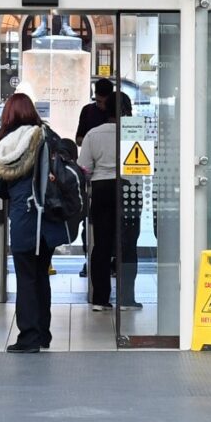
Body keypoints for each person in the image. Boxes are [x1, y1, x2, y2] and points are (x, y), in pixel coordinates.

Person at [0, 91, 57, 352]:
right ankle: (43, 334)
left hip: (23, 218)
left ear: (8, 114)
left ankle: (28, 337)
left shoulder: (1, 143)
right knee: (41, 275)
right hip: (47, 217)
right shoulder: (46, 136)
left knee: (26, 277)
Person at [79, 87, 125, 310]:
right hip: (127, 187)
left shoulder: (93, 134)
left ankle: (100, 299)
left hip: (100, 188)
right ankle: (127, 297)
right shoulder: (131, 133)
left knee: (102, 244)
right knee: (127, 241)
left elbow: (84, 167)